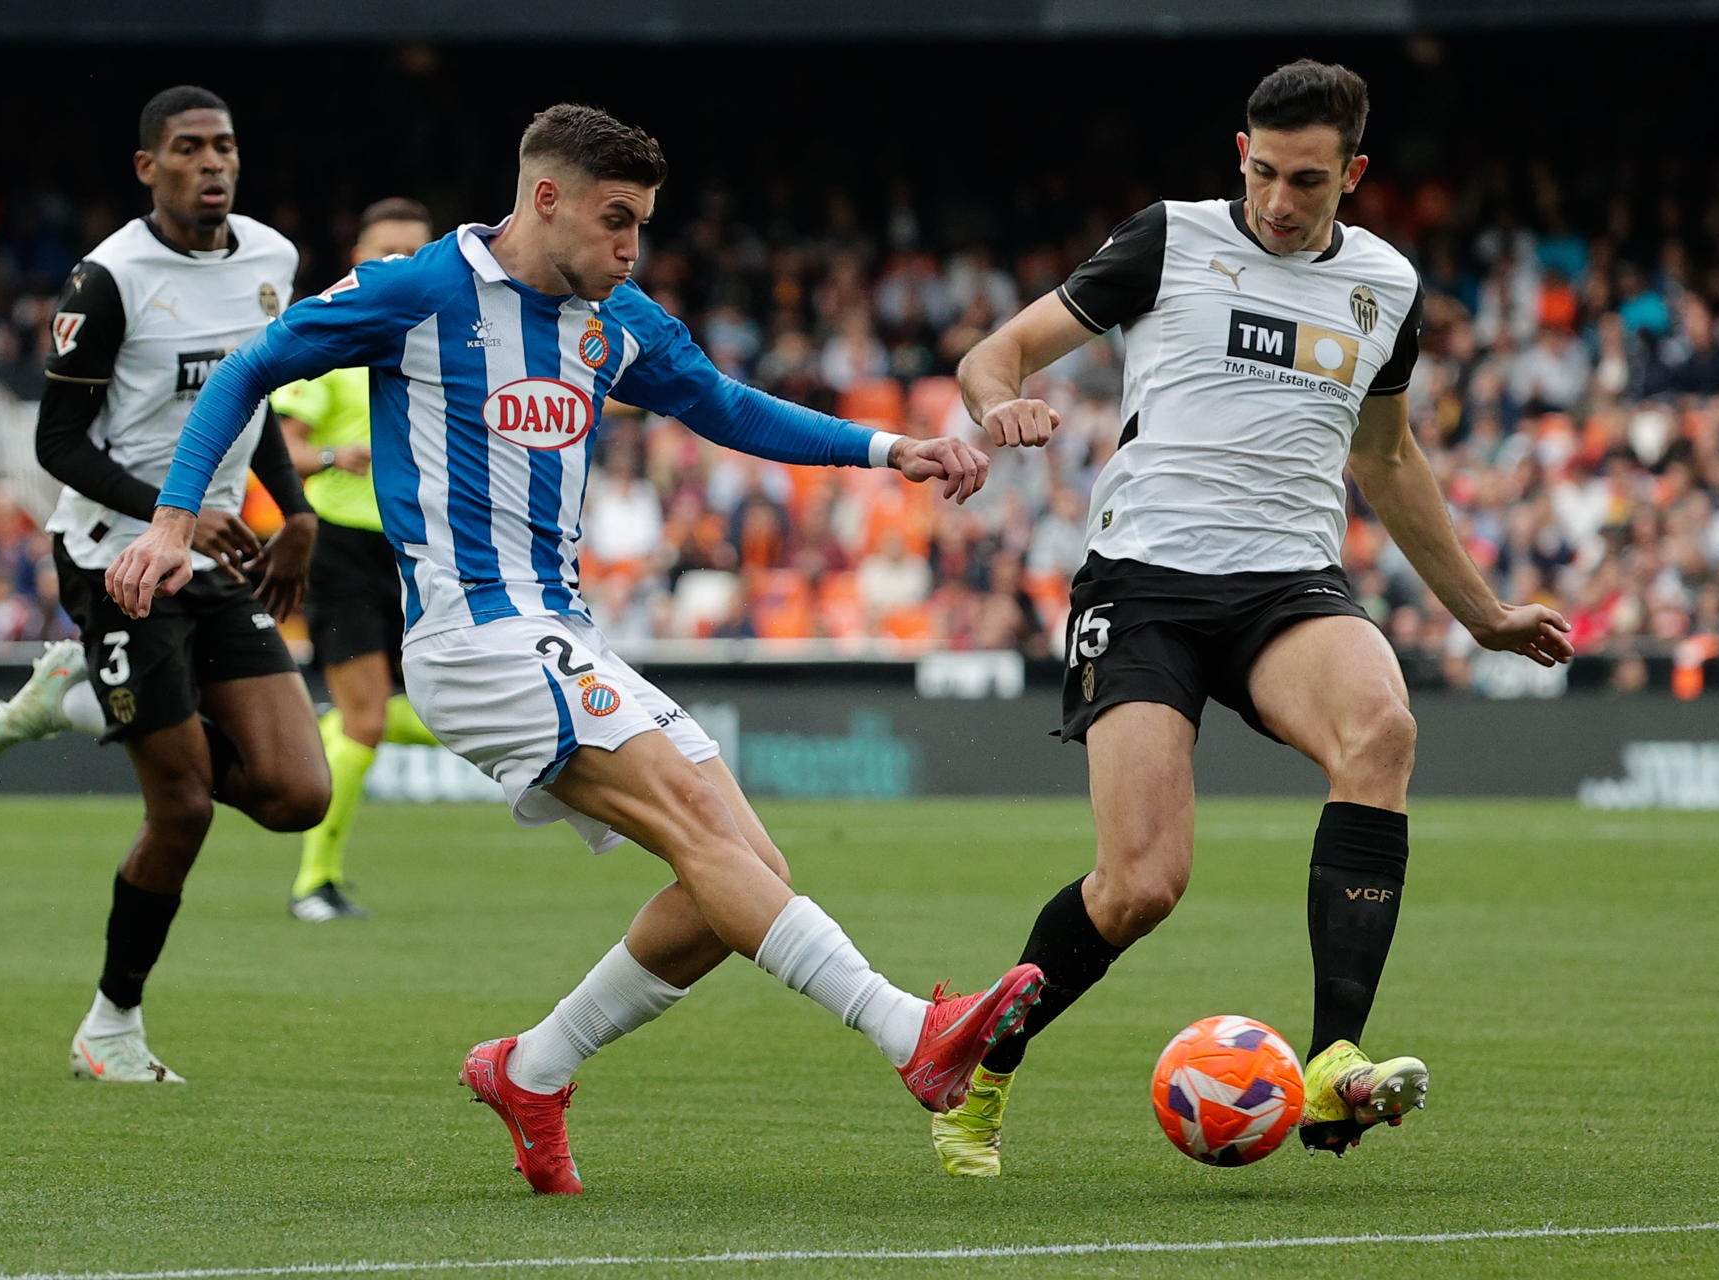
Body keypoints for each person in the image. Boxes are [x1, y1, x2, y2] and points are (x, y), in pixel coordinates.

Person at [106, 103, 1042, 1193]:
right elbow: (246, 371)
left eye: (640, 225)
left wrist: (892, 447)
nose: (629, 248)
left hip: (559, 631)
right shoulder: (419, 290)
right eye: (615, 222)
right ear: (543, 199)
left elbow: (724, 405)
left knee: (740, 877)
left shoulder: (617, 317)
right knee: (709, 837)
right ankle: (908, 1033)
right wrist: (173, 521)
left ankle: (533, 1066)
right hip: (475, 636)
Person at [934, 59, 1575, 1176]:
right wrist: (1001, 406)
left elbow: (1385, 453)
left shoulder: (1386, 285)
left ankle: (1333, 1059)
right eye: (1267, 172)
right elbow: (993, 353)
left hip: (1286, 583)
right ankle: (979, 1072)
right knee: (1141, 885)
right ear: (1241, 153)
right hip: (1144, 585)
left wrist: (1481, 613)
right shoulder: (1168, 240)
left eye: (1310, 182)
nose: (1281, 201)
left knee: (1382, 728)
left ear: (1355, 175)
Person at [0, 86, 330, 1082]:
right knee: (184, 807)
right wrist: (175, 507)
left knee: (298, 792)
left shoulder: (271, 260)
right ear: (149, 168)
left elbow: (252, 398)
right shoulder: (109, 279)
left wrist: (292, 511)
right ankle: (111, 1026)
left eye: (224, 145)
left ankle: (89, 699)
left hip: (214, 555)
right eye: (188, 149)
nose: (212, 163)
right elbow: (56, 442)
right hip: (113, 554)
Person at [269, 197, 439, 922]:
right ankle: (314, 883)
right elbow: (282, 447)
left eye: (415, 254)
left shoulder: (448, 344)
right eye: (386, 254)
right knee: (370, 718)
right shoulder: (332, 341)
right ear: (358, 262)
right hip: (342, 547)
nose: (400, 266)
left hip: (421, 548)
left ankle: (324, 733)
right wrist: (340, 454)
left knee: (430, 708)